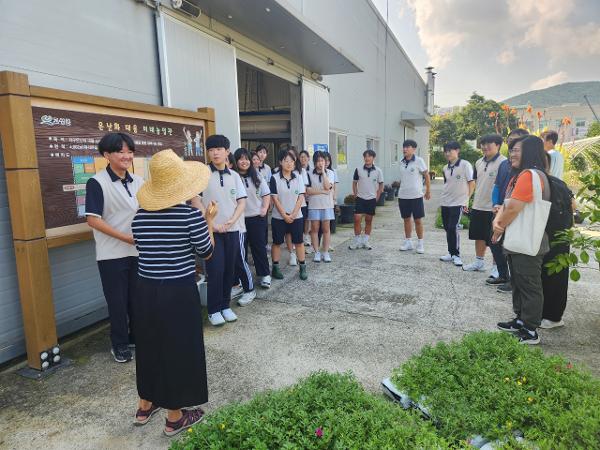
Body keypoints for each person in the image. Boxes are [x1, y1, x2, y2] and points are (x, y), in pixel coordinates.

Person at [131, 149, 215, 435]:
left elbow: (146, 251)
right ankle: (175, 416)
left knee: (149, 345)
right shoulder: (190, 216)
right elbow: (206, 251)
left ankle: (146, 404)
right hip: (178, 291)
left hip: (145, 290)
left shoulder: (139, 218)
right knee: (178, 349)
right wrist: (208, 220)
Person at [85, 132, 144, 363]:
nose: (126, 156)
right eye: (120, 151)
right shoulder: (97, 182)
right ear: (107, 154)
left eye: (130, 151)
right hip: (111, 255)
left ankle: (134, 337)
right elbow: (93, 220)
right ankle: (119, 345)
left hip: (137, 252)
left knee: (137, 300)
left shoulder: (138, 181)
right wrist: (125, 238)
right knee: (117, 303)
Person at [493, 135, 551, 345]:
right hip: (525, 239)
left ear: (530, 152)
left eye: (517, 150)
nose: (512, 154)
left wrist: (499, 227)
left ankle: (530, 329)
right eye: (512, 150)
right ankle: (520, 320)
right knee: (519, 281)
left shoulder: (529, 175)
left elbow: (515, 207)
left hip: (528, 240)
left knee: (529, 285)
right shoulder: (535, 174)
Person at [202, 135, 247, 326]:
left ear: (227, 152)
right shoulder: (203, 174)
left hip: (232, 230)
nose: (215, 153)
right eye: (211, 150)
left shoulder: (235, 176)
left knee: (230, 269)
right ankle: (213, 310)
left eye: (219, 149)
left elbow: (242, 202)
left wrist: (231, 221)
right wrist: (211, 223)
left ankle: (225, 305)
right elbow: (196, 200)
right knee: (215, 270)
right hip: (211, 232)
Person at [488, 129, 529, 291]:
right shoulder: (505, 164)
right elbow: (498, 186)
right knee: (494, 242)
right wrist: (495, 204)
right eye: (510, 141)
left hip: (515, 211)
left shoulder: (526, 168)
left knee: (511, 247)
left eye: (516, 142)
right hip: (501, 209)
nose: (512, 146)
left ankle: (514, 281)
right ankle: (503, 275)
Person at [463, 134, 506, 272]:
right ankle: (479, 262)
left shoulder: (504, 163)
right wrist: (468, 200)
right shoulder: (478, 162)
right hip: (478, 205)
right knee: (479, 235)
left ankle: (496, 267)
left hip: (494, 208)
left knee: (495, 239)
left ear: (498, 145)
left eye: (489, 143)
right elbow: (475, 183)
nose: (485, 146)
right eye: (483, 144)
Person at [234, 147, 271, 295]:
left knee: (259, 248)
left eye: (247, 159)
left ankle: (264, 275)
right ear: (236, 161)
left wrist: (264, 209)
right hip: (238, 220)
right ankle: (241, 280)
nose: (244, 162)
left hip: (256, 218)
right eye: (241, 159)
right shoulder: (233, 177)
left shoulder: (257, 176)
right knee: (240, 252)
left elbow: (266, 194)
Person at [270, 149, 308, 280]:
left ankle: (302, 267)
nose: (289, 163)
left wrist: (293, 214)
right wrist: (285, 215)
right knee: (277, 242)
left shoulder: (298, 177)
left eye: (292, 161)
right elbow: (275, 198)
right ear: (281, 162)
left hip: (296, 216)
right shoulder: (274, 178)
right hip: (278, 217)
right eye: (286, 161)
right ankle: (275, 267)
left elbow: (301, 196)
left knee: (299, 242)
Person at [439, 142, 475, 266]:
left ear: (457, 151)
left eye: (450, 150)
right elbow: (447, 184)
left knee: (453, 227)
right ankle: (450, 252)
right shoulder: (445, 168)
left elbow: (471, 183)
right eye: (446, 151)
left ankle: (456, 255)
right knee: (447, 228)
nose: (448, 153)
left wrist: (467, 201)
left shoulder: (465, 165)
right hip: (445, 202)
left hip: (459, 202)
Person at [397, 139, 430, 254]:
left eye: (408, 147)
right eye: (404, 147)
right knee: (406, 219)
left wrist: (428, 191)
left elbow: (426, 175)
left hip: (416, 196)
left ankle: (420, 243)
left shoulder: (419, 161)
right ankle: (408, 242)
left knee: (417, 220)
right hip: (403, 196)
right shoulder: (401, 161)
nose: (405, 149)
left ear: (414, 149)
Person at [349, 149, 384, 250]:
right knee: (357, 219)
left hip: (371, 199)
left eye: (369, 156)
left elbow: (381, 184)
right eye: (365, 156)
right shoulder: (358, 169)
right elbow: (354, 183)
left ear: (373, 158)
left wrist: (377, 197)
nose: (367, 158)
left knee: (369, 220)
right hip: (360, 198)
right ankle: (357, 241)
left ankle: (366, 241)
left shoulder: (378, 171)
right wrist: (356, 195)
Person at [306, 151, 335, 262]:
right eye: (318, 161)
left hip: (327, 205)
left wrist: (323, 172)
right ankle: (317, 252)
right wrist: (323, 191)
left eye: (322, 160)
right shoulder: (309, 173)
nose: (320, 163)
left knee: (326, 229)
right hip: (314, 205)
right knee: (314, 229)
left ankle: (325, 252)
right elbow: (308, 191)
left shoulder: (330, 173)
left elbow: (328, 186)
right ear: (314, 162)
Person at [299, 150, 312, 247]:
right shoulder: (297, 170)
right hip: (301, 198)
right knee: (301, 218)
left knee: (308, 218)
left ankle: (306, 236)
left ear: (308, 158)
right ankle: (299, 236)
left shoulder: (312, 171)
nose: (303, 159)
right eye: (301, 157)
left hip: (310, 198)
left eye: (305, 157)